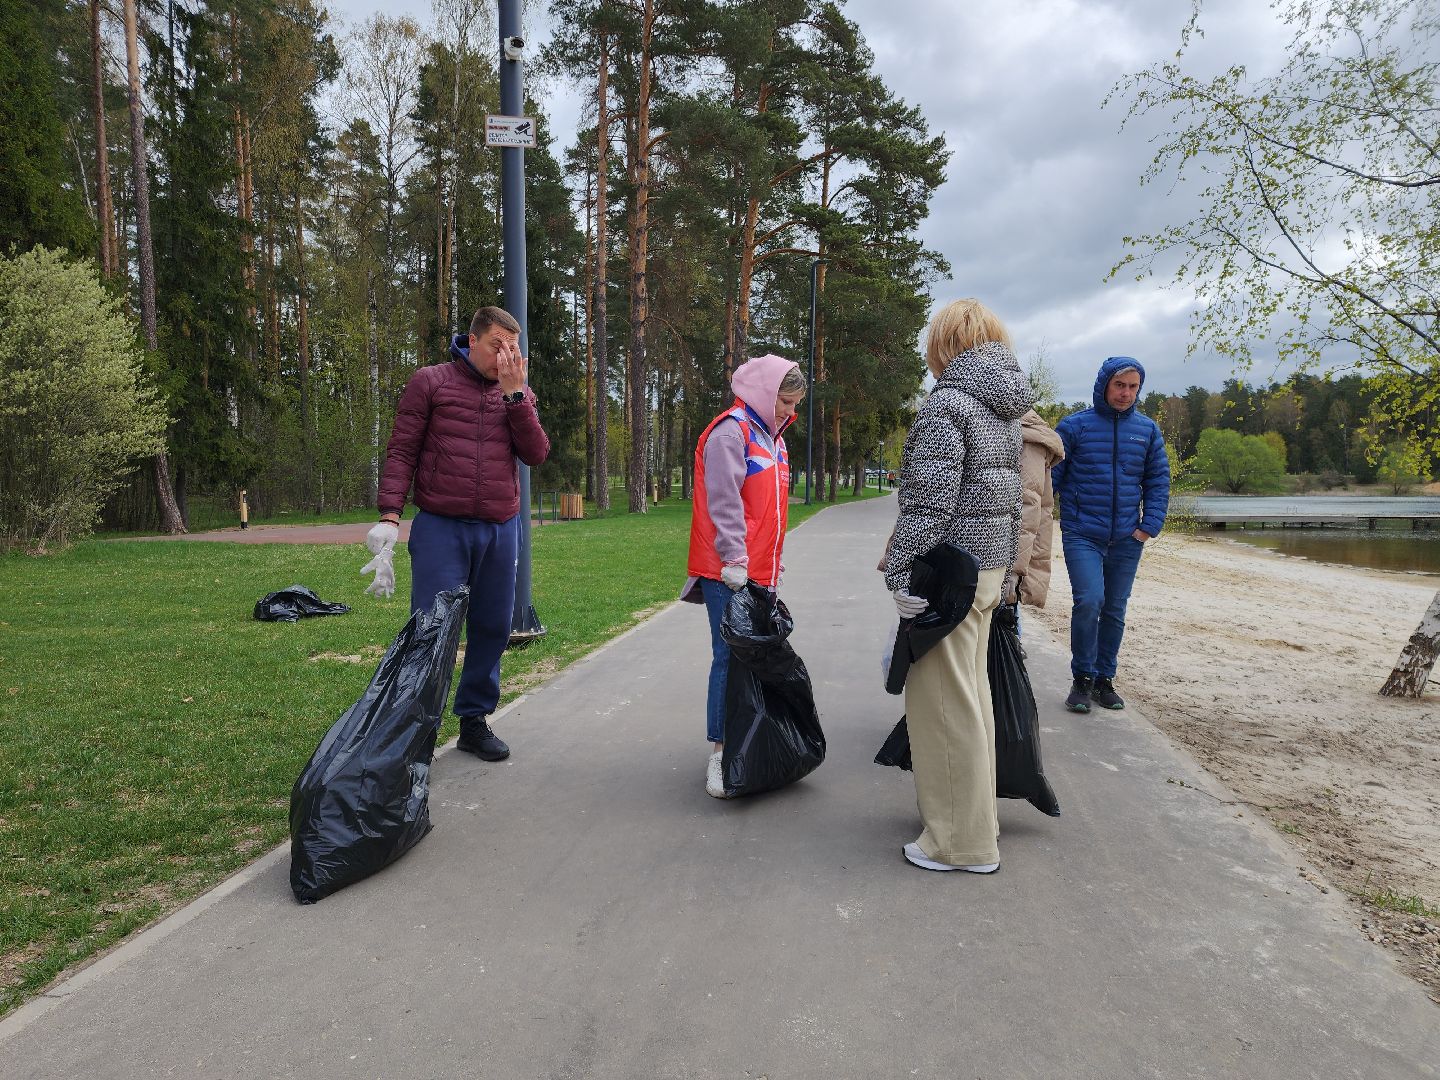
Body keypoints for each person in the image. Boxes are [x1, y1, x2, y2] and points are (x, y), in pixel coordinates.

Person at [882, 298, 1031, 873]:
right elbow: (1013, 500)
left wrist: (902, 574)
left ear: (943, 344)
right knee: (972, 701)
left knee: (943, 707)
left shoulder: (947, 405)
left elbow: (928, 503)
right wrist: (1008, 571)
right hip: (986, 572)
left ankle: (958, 844)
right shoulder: (1006, 408)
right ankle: (975, 827)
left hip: (949, 578)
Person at [362, 306, 550, 760]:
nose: (505, 356)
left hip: (500, 529)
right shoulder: (431, 382)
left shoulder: (519, 392)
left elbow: (535, 453)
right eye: (497, 346)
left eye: (513, 348)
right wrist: (390, 515)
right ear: (472, 340)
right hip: (442, 526)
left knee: (492, 626)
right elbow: (402, 449)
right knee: (432, 628)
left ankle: (474, 721)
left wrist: (514, 397)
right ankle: (416, 729)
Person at [682, 354, 807, 799]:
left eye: (794, 405)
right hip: (728, 571)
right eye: (785, 402)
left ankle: (749, 740)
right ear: (764, 394)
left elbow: (770, 510)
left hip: (759, 571)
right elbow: (724, 502)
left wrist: (772, 560)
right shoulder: (730, 433)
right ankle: (720, 752)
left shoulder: (773, 439)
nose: (789, 412)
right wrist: (735, 559)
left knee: (754, 659)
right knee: (729, 657)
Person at [1052, 356, 1169, 714]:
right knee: (1089, 601)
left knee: (1115, 609)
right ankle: (1082, 679)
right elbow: (1049, 478)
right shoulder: (1074, 427)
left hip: (1127, 538)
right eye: (1120, 385)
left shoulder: (1147, 430)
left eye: (1133, 387)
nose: (1126, 393)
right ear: (1104, 385)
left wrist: (1148, 526)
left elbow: (1158, 480)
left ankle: (1105, 680)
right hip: (1082, 533)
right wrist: (1034, 519)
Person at [1003, 409, 1066, 625]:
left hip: (1001, 560)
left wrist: (1014, 571)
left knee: (1000, 626)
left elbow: (1027, 508)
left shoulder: (1026, 435)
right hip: (993, 555)